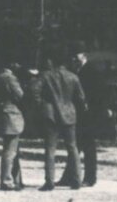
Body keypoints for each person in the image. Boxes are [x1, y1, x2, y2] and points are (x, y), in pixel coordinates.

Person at [36, 52, 87, 191]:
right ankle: (77, 180)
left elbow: (34, 91)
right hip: (69, 115)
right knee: (73, 148)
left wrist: (42, 105)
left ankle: (49, 182)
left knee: (50, 149)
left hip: (51, 116)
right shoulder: (73, 77)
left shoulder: (46, 75)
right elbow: (81, 98)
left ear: (52, 61)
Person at [73, 52, 111, 186]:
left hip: (89, 115)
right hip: (80, 115)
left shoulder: (92, 72)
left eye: (77, 57)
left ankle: (90, 178)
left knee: (88, 147)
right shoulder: (78, 70)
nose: (75, 60)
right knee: (75, 146)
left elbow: (100, 94)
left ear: (84, 57)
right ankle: (71, 176)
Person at [0, 57, 27, 191]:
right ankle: (7, 180)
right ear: (12, 63)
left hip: (5, 114)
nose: (19, 66)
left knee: (13, 150)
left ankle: (17, 179)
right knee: (10, 151)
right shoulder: (10, 78)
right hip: (12, 115)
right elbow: (20, 96)